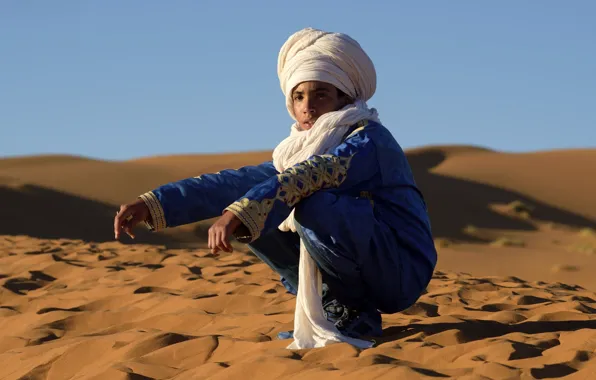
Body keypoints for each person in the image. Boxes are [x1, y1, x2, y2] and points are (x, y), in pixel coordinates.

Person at [114, 27, 437, 349]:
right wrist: (154, 202)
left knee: (306, 203)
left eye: (320, 94)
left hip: (399, 270)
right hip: (363, 264)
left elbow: (312, 174)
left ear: (345, 97)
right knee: (256, 200)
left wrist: (239, 212)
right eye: (299, 97)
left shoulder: (369, 141)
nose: (307, 107)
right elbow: (234, 183)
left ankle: (352, 313)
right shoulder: (296, 152)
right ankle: (335, 307)